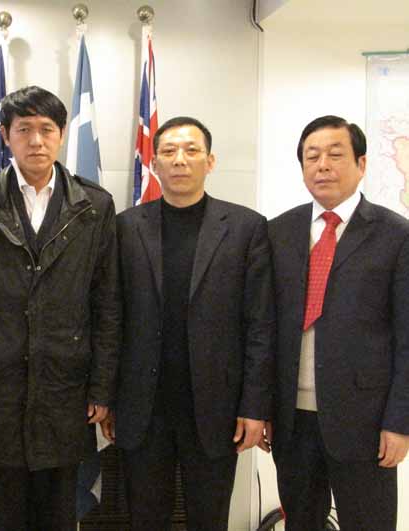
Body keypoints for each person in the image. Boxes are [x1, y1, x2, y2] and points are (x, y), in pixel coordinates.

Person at [0, 85, 120, 531]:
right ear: (5, 135)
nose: (36, 141)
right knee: (4, 511)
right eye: (24, 129)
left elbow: (107, 303)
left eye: (47, 129)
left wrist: (102, 387)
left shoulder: (94, 205)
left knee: (59, 511)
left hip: (66, 386)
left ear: (62, 135)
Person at [106, 116, 274, 531]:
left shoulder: (246, 228)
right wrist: (105, 395)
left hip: (216, 408)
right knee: (145, 519)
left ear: (210, 161)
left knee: (209, 519)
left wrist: (254, 406)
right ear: (154, 164)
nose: (180, 159)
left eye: (191, 150)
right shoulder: (125, 227)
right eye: (168, 151)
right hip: (142, 408)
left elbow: (260, 325)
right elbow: (110, 316)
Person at [268, 115, 409, 531]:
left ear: (361, 164)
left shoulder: (396, 235)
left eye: (335, 154)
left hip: (365, 420)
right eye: (312, 156)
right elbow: (264, 328)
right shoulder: (278, 232)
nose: (323, 165)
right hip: (292, 420)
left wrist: (399, 422)